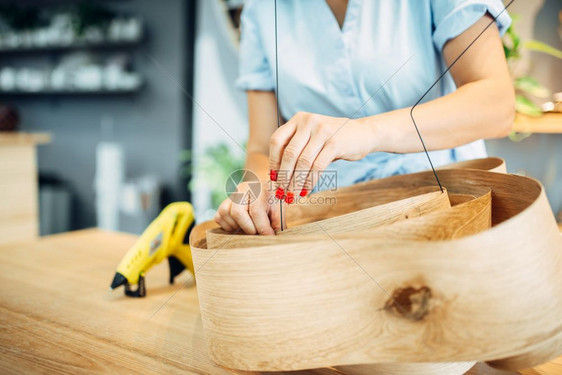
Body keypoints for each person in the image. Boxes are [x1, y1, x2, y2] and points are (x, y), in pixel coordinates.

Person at [215, 0, 515, 235]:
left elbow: (497, 105)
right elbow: (261, 148)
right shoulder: (262, 9)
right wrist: (255, 192)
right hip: (332, 224)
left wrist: (366, 132)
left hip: (450, 208)